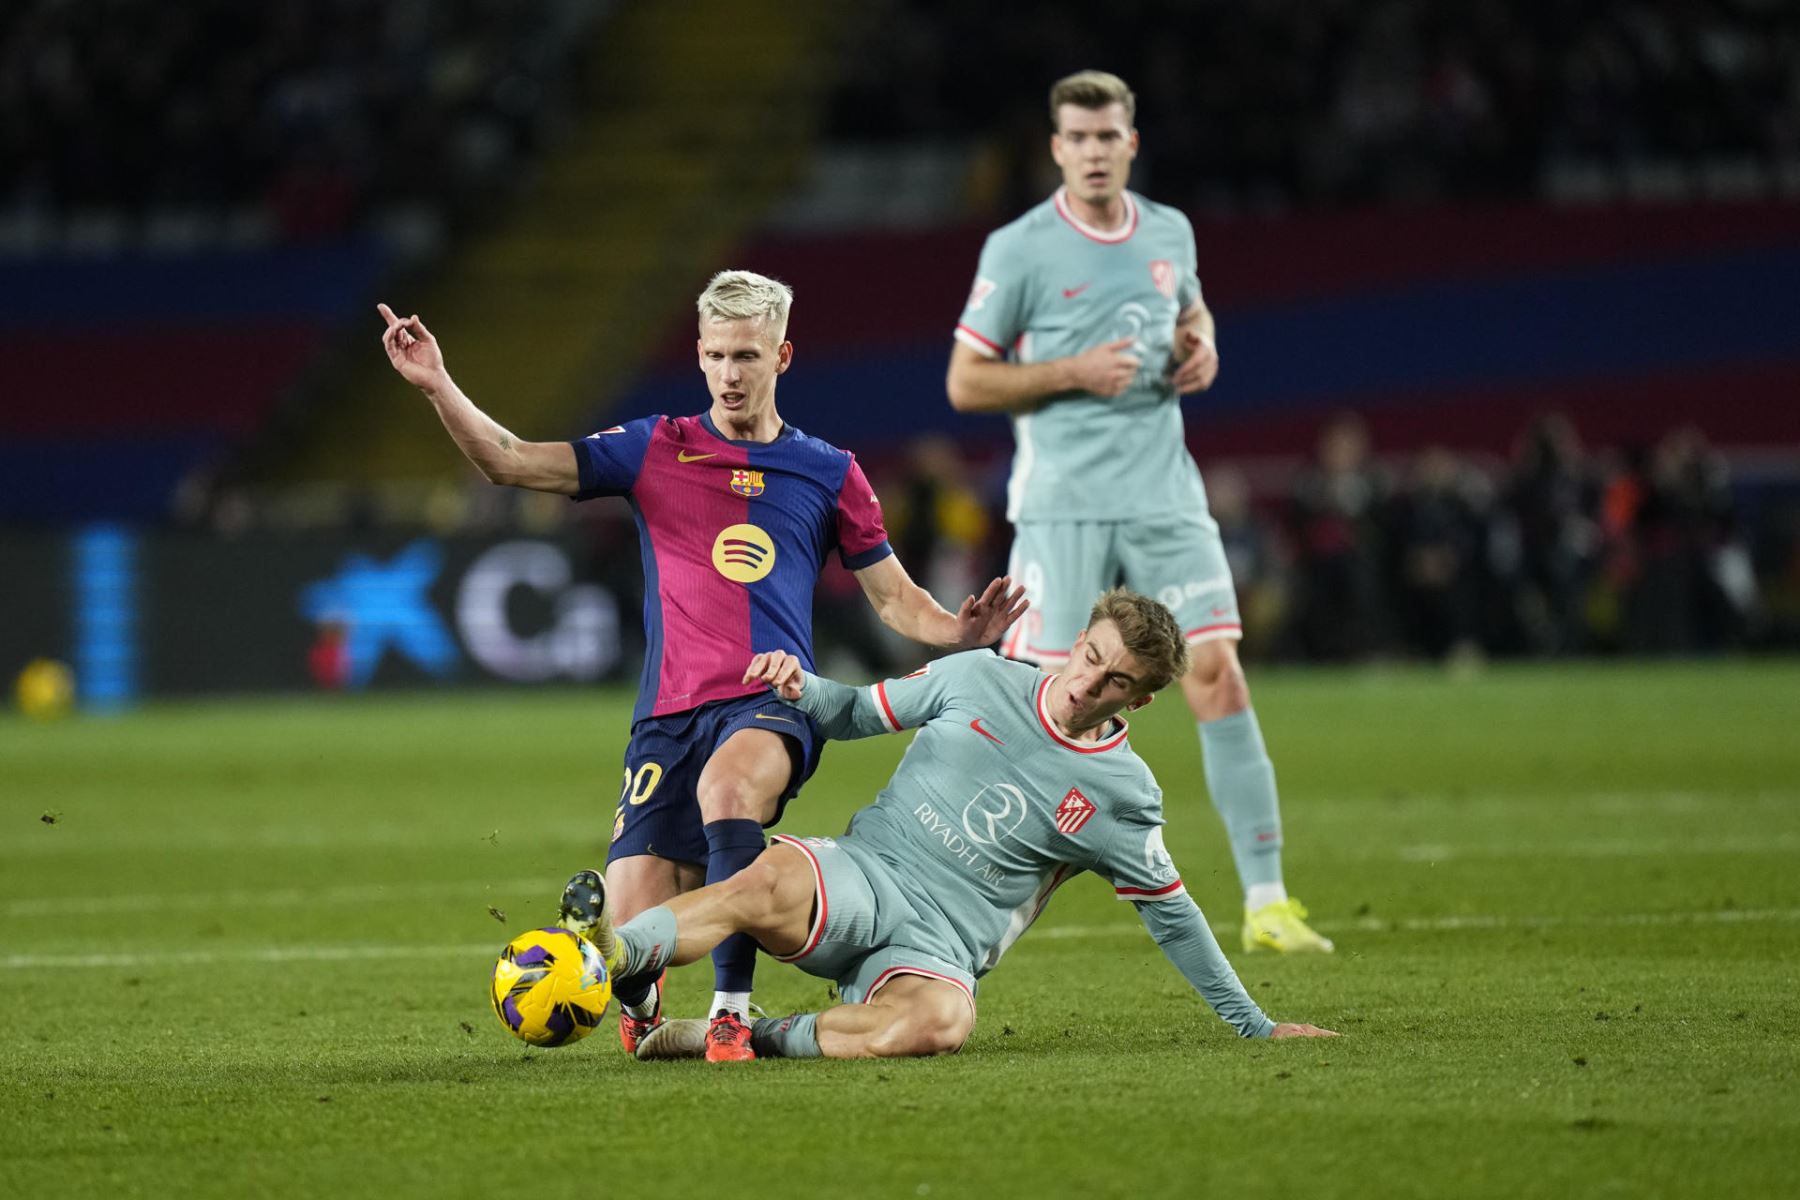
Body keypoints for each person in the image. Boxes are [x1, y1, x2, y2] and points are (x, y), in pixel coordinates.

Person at [377, 271, 1026, 1061]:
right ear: (699, 353)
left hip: (772, 698)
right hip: (666, 719)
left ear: (782, 355)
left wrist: (957, 629)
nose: (730, 373)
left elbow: (893, 600)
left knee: (729, 792)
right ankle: (642, 1004)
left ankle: (731, 1015)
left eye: (747, 355)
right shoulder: (656, 447)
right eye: (716, 355)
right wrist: (438, 383)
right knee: (636, 921)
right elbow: (510, 462)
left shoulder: (830, 472)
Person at [559, 589, 1336, 1061]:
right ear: (1078, 639)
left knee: (940, 1024)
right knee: (760, 876)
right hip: (865, 877)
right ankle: (614, 954)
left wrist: (1254, 1027)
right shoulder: (979, 676)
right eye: (1091, 656)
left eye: (1115, 681)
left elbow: (1174, 917)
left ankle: (739, 1037)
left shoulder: (1124, 797)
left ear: (1138, 701)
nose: (1087, 683)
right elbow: (859, 713)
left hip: (937, 950)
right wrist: (804, 686)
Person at [944, 70, 1332, 953]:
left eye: (1105, 137)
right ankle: (956, 898)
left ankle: (1268, 902)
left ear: (1130, 142)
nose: (1091, 152)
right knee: (1041, 707)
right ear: (1056, 148)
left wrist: (1204, 347)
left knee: (1218, 675)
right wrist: (1069, 373)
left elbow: (1191, 315)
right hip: (1064, 507)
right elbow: (967, 381)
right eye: (1075, 139)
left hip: (1164, 495)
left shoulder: (1169, 230)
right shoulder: (1019, 248)